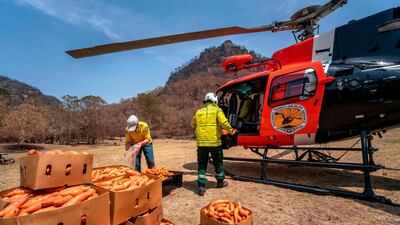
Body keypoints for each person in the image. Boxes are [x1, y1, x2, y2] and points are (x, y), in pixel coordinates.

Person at [191, 93, 237, 196]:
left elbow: (192, 124)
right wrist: (231, 131)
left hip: (201, 144)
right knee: (218, 162)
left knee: (202, 164)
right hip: (215, 143)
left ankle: (201, 186)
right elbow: (224, 123)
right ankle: (220, 182)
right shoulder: (217, 110)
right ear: (215, 101)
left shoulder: (198, 112)